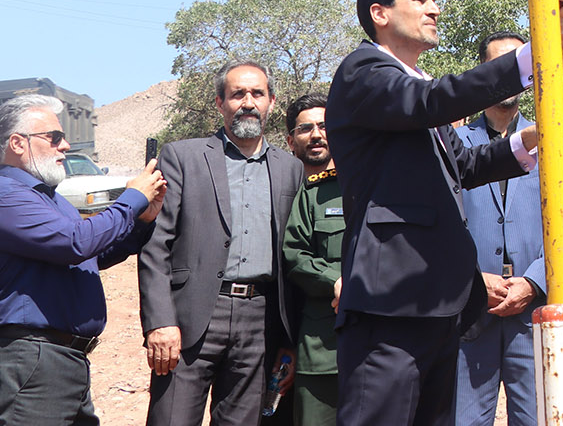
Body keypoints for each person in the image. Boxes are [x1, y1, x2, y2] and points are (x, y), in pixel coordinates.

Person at [326, 0, 563, 426]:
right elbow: (432, 102)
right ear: (380, 13)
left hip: (439, 306)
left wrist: (530, 139)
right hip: (392, 305)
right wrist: (536, 53)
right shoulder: (365, 71)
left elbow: (465, 164)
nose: (434, 9)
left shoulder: (415, 86)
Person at [139, 61, 304, 426]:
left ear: (271, 102)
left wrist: (289, 339)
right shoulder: (183, 157)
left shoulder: (290, 169)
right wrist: (160, 321)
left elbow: (294, 256)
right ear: (219, 103)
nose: (248, 102)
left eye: (257, 93)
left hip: (260, 322)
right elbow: (156, 246)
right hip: (190, 319)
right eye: (237, 94)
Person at [0, 94, 166, 424]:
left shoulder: (49, 199)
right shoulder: (7, 194)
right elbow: (76, 243)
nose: (65, 146)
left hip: (64, 361)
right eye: (54, 137)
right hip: (33, 359)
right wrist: (132, 198)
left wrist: (142, 219)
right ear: (18, 143)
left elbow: (92, 253)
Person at [455, 30, 563, 426]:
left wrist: (533, 282)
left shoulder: (552, 139)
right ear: (482, 72)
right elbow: (443, 224)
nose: (509, 77)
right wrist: (474, 280)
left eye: (517, 67)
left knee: (538, 417)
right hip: (471, 309)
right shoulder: (455, 143)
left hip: (533, 309)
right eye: (498, 66)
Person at [280, 95, 342, 426]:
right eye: (306, 128)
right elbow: (294, 256)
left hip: (377, 346)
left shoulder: (369, 186)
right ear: (291, 141)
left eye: (325, 126)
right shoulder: (286, 189)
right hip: (316, 349)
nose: (317, 135)